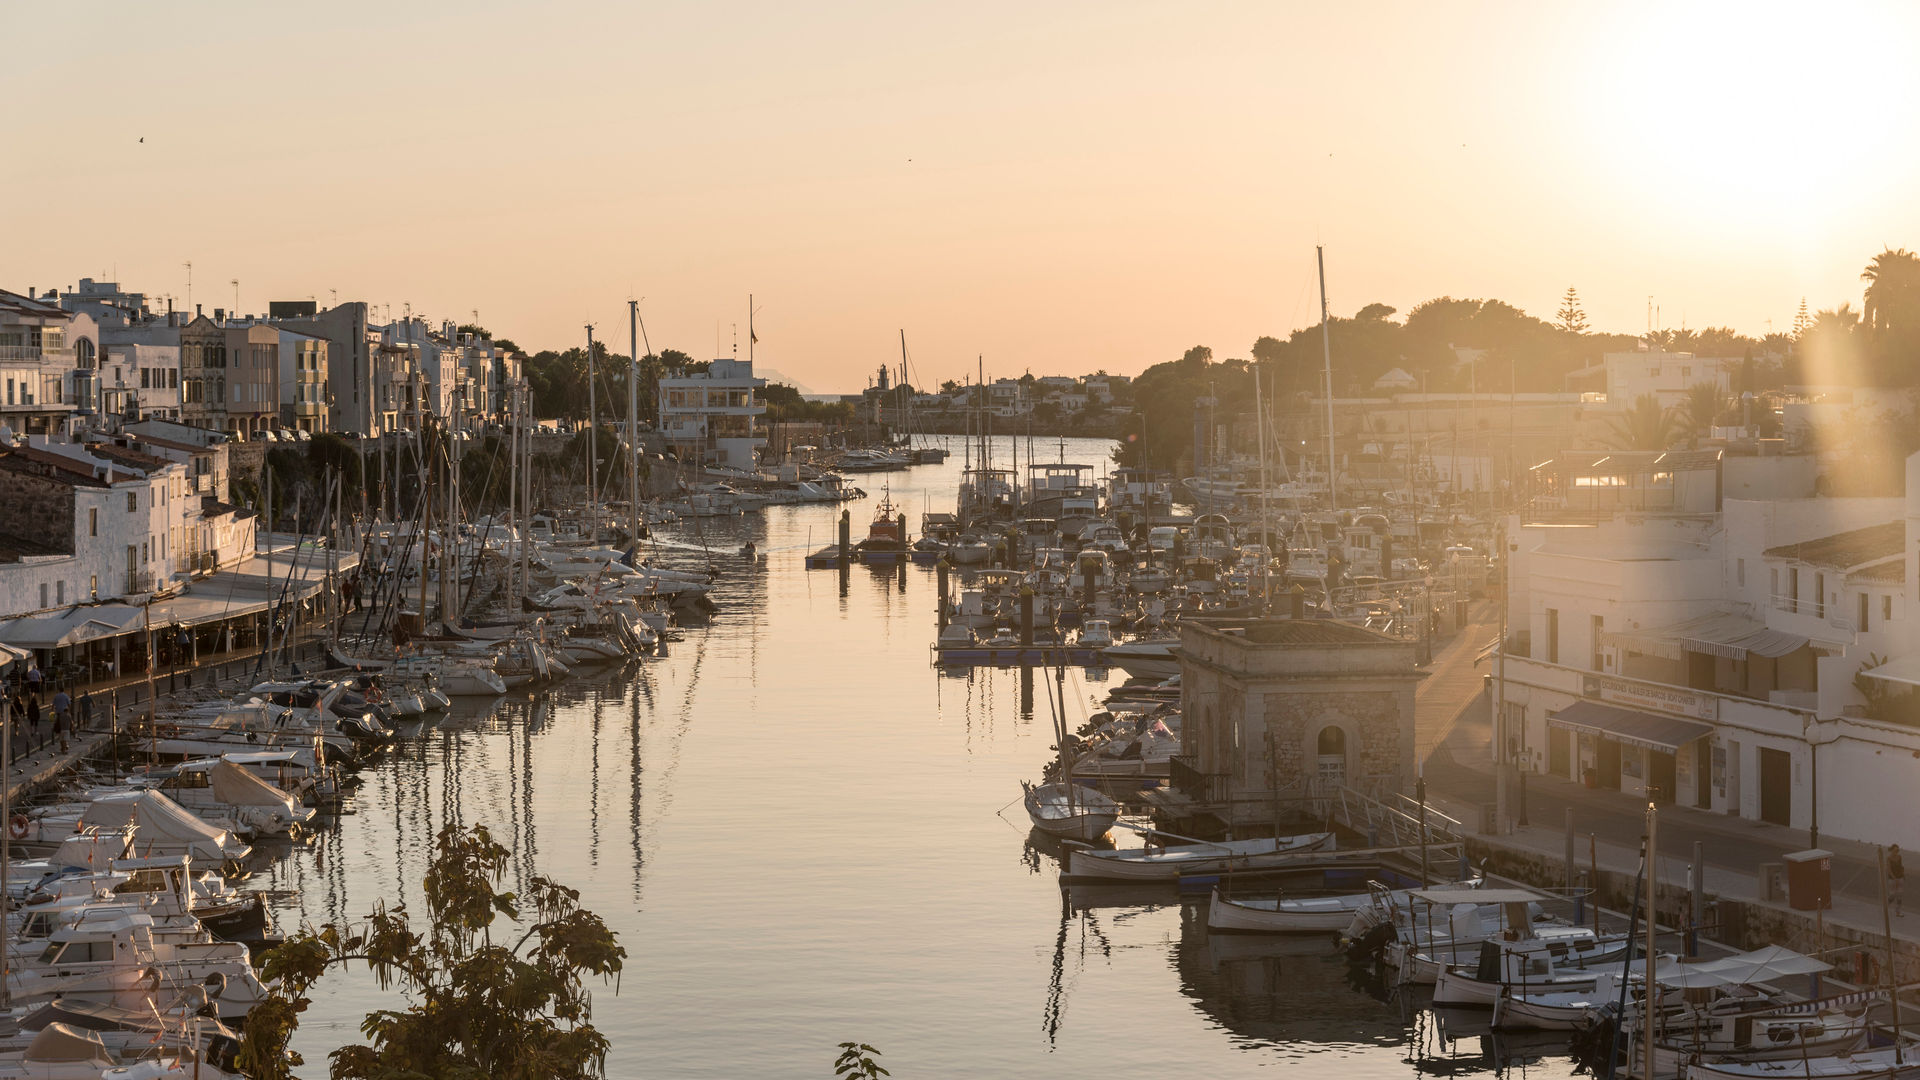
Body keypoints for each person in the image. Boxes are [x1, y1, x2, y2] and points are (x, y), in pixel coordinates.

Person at [1891, 844, 1906, 917]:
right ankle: (1885, 908)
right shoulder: (1889, 858)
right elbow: (1889, 870)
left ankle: (1898, 912)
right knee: (1892, 895)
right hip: (1893, 879)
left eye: (1897, 850)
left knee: (1899, 895)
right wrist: (1894, 878)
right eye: (1895, 850)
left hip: (1900, 878)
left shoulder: (1899, 857)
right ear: (1892, 850)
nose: (1896, 852)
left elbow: (1901, 866)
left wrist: (1903, 875)